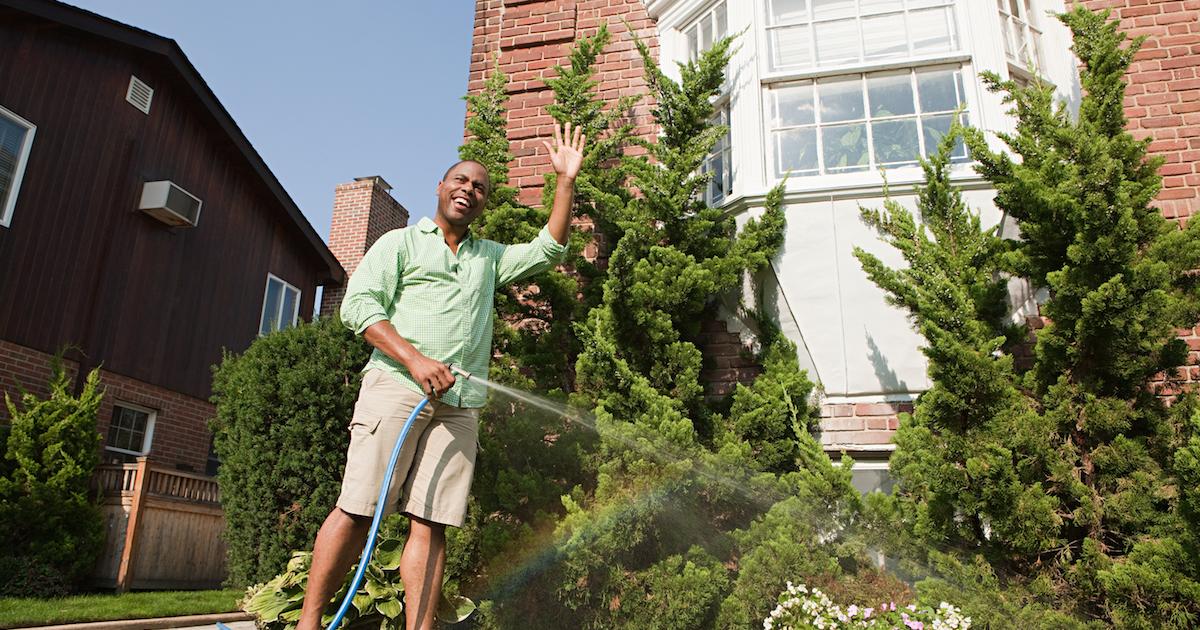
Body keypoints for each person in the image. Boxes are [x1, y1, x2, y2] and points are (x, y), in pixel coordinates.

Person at [295, 122, 585, 630]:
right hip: (395, 390)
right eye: (461, 180)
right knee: (359, 509)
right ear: (440, 186)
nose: (469, 190)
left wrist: (564, 182)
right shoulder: (400, 245)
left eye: (479, 188)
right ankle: (309, 622)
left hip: (459, 408)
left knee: (432, 522)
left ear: (483, 203)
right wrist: (414, 359)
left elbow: (548, 250)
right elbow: (358, 308)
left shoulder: (489, 259)